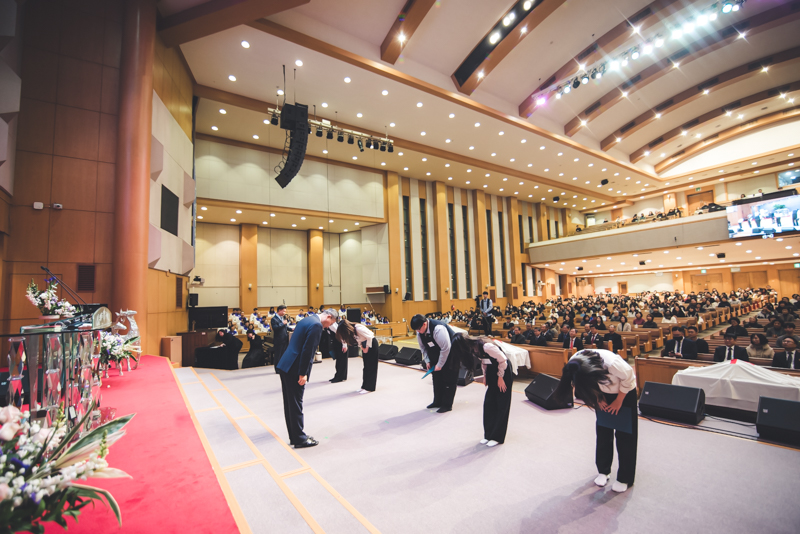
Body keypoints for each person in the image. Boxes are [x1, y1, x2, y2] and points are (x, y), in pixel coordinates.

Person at [554, 349, 638, 493]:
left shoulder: (612, 364)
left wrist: (618, 400)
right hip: (601, 393)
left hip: (624, 392)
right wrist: (598, 398)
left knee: (625, 435)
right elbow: (587, 384)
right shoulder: (575, 364)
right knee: (603, 432)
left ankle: (625, 478)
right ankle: (603, 471)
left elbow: (629, 378)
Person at [276, 309, 339, 448]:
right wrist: (303, 373)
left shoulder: (307, 319)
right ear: (328, 316)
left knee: (290, 403)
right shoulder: (316, 325)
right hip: (295, 368)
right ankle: (300, 439)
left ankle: (295, 436)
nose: (328, 326)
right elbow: (308, 350)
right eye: (330, 323)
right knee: (296, 404)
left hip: (286, 363)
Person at [452, 334, 514, 447]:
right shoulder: (474, 349)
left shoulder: (487, 346)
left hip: (503, 371)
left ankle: (497, 437)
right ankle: (488, 435)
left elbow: (503, 360)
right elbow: (484, 362)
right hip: (491, 370)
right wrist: (485, 376)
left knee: (501, 404)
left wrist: (501, 377)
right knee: (489, 403)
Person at [411, 313, 458, 413]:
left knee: (448, 379)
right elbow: (423, 348)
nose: (418, 332)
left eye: (418, 329)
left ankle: (447, 405)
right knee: (437, 379)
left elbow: (446, 348)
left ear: (424, 324)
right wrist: (427, 360)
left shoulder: (438, 329)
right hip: (436, 354)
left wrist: (440, 365)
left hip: (451, 354)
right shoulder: (419, 332)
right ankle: (437, 401)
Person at [332, 318, 379, 393]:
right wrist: (362, 348)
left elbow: (370, 337)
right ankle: (364, 386)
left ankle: (370, 387)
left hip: (371, 344)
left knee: (371, 366)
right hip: (365, 344)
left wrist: (367, 347)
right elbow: (359, 340)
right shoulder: (352, 331)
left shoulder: (358, 328)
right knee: (366, 367)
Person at [271, 305, 290, 372]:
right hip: (278, 340)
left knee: (283, 354)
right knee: (278, 355)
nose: (285, 313)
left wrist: (292, 329)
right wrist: (282, 323)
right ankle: (277, 369)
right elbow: (275, 328)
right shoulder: (274, 319)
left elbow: (285, 327)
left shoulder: (283, 318)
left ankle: (282, 368)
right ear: (279, 310)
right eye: (284, 311)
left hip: (285, 338)